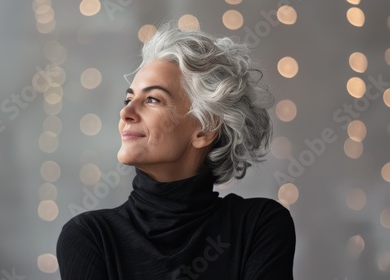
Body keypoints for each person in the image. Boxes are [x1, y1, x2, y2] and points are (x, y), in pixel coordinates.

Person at [57, 22, 296, 280]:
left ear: (205, 128)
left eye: (152, 100)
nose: (125, 113)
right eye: (128, 99)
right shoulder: (89, 237)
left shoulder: (259, 226)